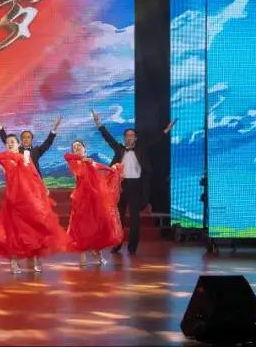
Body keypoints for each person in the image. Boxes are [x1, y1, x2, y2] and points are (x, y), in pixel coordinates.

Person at [92, 111, 174, 255]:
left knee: (135, 218)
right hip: (121, 186)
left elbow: (154, 140)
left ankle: (132, 247)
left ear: (135, 138)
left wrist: (166, 130)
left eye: (131, 135)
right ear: (124, 138)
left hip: (136, 186)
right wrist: (99, 124)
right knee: (119, 217)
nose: (129, 138)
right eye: (127, 135)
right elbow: (108, 138)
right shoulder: (119, 149)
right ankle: (117, 244)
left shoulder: (141, 148)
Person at [0, 134, 68, 273]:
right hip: (13, 201)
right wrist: (17, 156)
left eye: (13, 141)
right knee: (13, 232)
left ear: (18, 144)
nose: (10, 144)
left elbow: (35, 176)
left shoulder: (26, 158)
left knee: (33, 230)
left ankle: (35, 259)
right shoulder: (5, 159)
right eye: (7, 142)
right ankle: (14, 262)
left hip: (29, 200)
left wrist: (42, 189)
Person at [64, 140, 124, 266]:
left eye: (79, 146)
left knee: (97, 225)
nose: (77, 148)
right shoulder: (73, 162)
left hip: (95, 199)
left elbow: (106, 169)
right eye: (74, 147)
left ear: (85, 148)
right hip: (81, 199)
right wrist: (83, 160)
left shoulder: (92, 162)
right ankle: (82, 255)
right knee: (80, 226)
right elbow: (69, 159)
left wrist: (114, 169)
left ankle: (98, 252)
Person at [0, 114, 61, 178]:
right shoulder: (16, 150)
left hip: (35, 180)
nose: (26, 139)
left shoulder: (37, 151)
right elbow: (6, 139)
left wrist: (54, 128)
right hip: (21, 180)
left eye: (28, 137)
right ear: (21, 139)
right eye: (24, 137)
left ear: (32, 139)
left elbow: (48, 142)